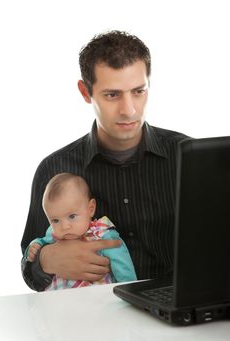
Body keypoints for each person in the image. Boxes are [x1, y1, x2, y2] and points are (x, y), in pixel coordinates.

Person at [21, 30, 189, 291]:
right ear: (85, 91)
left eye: (138, 91)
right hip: (91, 321)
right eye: (112, 95)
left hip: (178, 311)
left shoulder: (187, 155)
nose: (129, 109)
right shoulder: (53, 169)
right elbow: (29, 266)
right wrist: (45, 260)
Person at [24, 172, 137, 290]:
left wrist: (129, 291)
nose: (64, 226)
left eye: (72, 216)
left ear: (90, 209)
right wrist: (34, 247)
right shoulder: (53, 234)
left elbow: (122, 267)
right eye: (55, 220)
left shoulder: (102, 234)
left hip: (98, 297)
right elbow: (40, 243)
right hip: (60, 300)